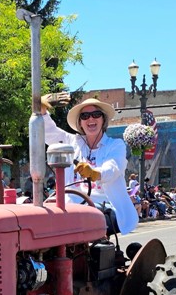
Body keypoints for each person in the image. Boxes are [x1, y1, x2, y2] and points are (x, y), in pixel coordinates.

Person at [39, 94, 138, 234]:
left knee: (82, 216)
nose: (91, 118)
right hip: (70, 205)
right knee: (42, 215)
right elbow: (48, 132)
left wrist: (94, 173)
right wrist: (41, 107)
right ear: (80, 123)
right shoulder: (71, 142)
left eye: (96, 114)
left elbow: (113, 167)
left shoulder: (115, 145)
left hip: (106, 206)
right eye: (85, 116)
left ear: (103, 120)